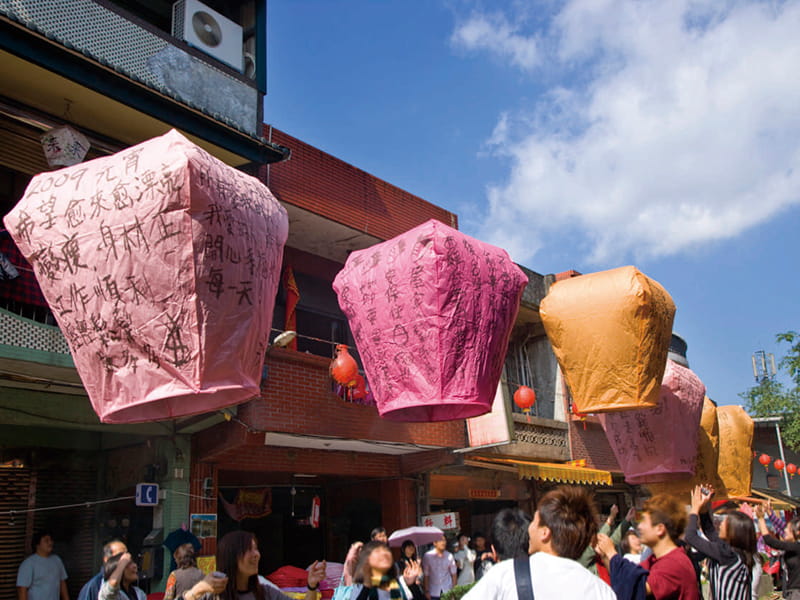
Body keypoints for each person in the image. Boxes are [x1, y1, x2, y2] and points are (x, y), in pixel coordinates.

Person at [463, 486, 615, 600]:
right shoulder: (600, 589)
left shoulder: (506, 575)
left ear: (545, 533)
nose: (529, 528)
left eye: (535, 521)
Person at [595, 493, 701, 600]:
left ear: (660, 529)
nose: (639, 526)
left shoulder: (674, 564)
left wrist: (612, 554)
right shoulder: (654, 560)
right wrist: (605, 555)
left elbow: (636, 589)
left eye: (644, 521)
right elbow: (625, 579)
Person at [182, 530, 326, 600]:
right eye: (249, 549)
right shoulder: (211, 596)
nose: (257, 554)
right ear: (232, 556)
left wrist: (311, 585)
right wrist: (198, 590)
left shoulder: (266, 593)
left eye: (256, 548)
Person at [682, 485, 756, 600]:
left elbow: (691, 537)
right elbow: (709, 531)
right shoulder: (731, 551)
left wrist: (694, 509)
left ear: (734, 531)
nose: (720, 524)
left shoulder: (726, 553)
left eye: (725, 522)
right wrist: (705, 507)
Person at [345, 540, 424, 599]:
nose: (384, 554)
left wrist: (411, 584)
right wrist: (367, 586)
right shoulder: (361, 586)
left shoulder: (398, 583)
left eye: (386, 550)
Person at [757, 500, 800, 599]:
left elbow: (770, 541)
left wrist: (761, 519)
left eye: (788, 529)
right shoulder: (794, 545)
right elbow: (781, 527)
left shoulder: (796, 547)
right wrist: (770, 513)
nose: (785, 530)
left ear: (797, 532)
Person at [17, 531, 69, 600]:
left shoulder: (57, 560)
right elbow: (22, 589)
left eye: (50, 540)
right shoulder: (28, 564)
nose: (50, 543)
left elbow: (62, 583)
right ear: (37, 545)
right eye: (46, 541)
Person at [421, 536, 456, 600]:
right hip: (433, 590)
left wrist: (454, 591)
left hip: (447, 589)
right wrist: (426, 591)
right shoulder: (428, 556)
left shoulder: (449, 556)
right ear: (435, 543)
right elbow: (426, 575)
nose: (443, 543)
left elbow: (454, 574)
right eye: (441, 540)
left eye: (444, 540)